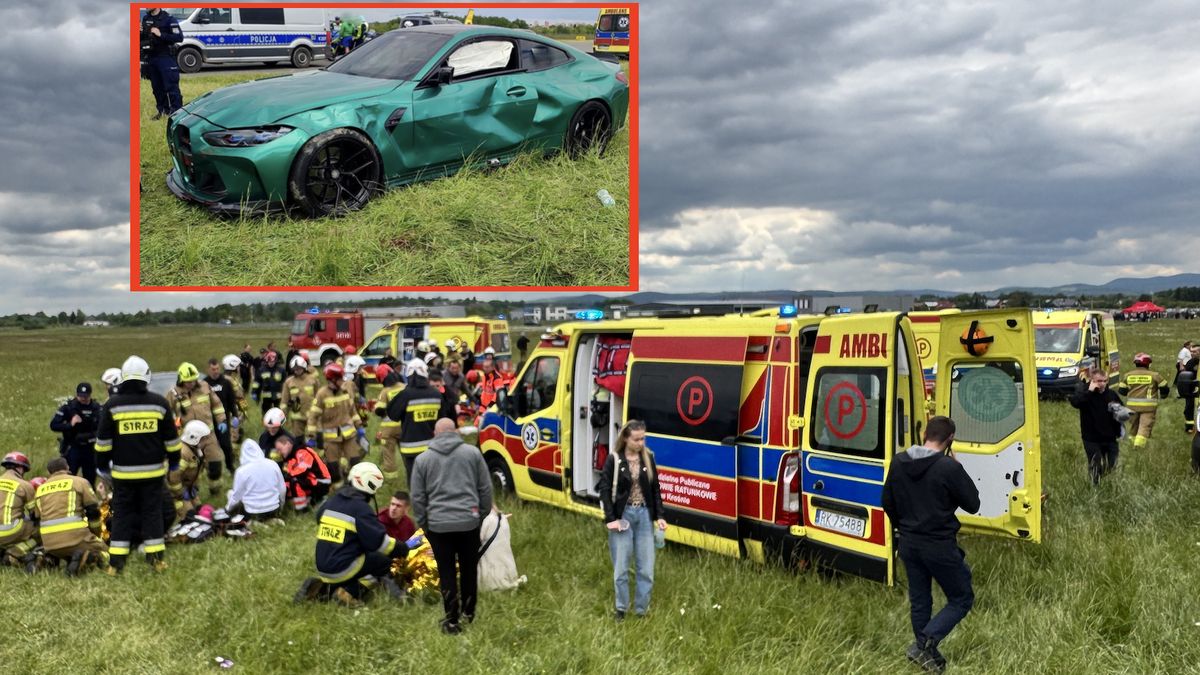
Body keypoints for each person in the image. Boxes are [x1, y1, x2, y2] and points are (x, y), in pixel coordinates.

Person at [881, 416, 979, 673]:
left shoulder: (898, 461)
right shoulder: (948, 468)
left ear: (924, 433)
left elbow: (887, 502)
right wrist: (959, 468)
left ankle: (927, 656)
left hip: (909, 543)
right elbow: (973, 503)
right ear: (950, 440)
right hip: (939, 545)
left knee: (920, 601)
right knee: (961, 598)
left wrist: (904, 526)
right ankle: (924, 645)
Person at [95, 355, 182, 573]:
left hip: (123, 475)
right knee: (152, 514)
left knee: (122, 515)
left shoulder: (112, 406)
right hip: (153, 474)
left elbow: (103, 443)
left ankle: (116, 565)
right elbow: (172, 441)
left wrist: (102, 466)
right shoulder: (159, 404)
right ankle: (156, 561)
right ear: (147, 377)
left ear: (123, 378)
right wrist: (173, 463)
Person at [296, 462, 421, 607]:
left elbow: (319, 518)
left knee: (362, 560)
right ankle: (351, 592)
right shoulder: (360, 508)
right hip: (342, 568)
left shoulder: (331, 501)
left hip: (323, 565)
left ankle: (322, 589)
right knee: (383, 562)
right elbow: (381, 544)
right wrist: (403, 549)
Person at [411, 418, 493, 634]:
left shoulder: (422, 459)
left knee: (446, 572)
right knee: (469, 570)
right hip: (469, 523)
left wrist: (425, 523)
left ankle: (451, 620)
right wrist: (480, 516)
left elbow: (418, 498)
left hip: (438, 527)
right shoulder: (472, 454)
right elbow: (485, 489)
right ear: (455, 431)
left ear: (435, 433)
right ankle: (469, 614)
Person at [597, 420, 667, 621]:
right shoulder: (614, 459)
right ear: (626, 438)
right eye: (636, 439)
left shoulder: (648, 458)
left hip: (644, 515)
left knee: (646, 568)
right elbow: (603, 489)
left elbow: (655, 489)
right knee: (621, 567)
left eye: (643, 438)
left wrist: (660, 516)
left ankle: (641, 611)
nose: (640, 443)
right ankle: (621, 609)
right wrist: (610, 519)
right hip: (623, 516)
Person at [32, 457, 110, 576]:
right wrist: (96, 534)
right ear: (67, 468)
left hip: (49, 544)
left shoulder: (41, 489)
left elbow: (37, 517)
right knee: (107, 553)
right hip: (75, 538)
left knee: (65, 552)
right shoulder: (80, 482)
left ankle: (47, 557)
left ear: (49, 472)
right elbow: (93, 511)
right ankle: (88, 557)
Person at [387, 359, 452, 484]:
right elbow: (443, 419)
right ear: (425, 375)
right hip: (433, 448)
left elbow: (392, 414)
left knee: (415, 483)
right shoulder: (436, 394)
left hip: (411, 450)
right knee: (433, 481)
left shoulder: (405, 394)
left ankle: (417, 503)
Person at [169, 362, 228, 496]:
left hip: (208, 436)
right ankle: (192, 493)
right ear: (181, 379)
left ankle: (215, 492)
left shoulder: (205, 387)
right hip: (189, 440)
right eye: (188, 381)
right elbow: (166, 414)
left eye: (194, 380)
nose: (191, 383)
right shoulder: (173, 394)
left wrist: (221, 420)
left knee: (215, 465)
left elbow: (217, 405)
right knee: (191, 468)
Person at [307, 362, 368, 488]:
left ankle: (354, 487)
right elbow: (313, 416)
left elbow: (352, 411)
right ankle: (338, 490)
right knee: (333, 467)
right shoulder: (322, 394)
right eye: (340, 379)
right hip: (331, 439)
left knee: (355, 461)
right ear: (332, 380)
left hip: (349, 435)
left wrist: (360, 427)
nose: (343, 381)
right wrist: (312, 436)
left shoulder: (345, 391)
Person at [1070, 369, 1126, 484]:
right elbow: (1076, 403)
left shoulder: (1111, 394)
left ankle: (1105, 481)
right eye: (1099, 381)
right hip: (1091, 438)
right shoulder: (1085, 393)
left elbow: (1121, 410)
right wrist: (1089, 392)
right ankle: (1095, 485)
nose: (1102, 384)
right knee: (1095, 464)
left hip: (1110, 438)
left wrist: (1123, 414)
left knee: (1111, 464)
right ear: (1092, 381)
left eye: (1105, 381)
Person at [49, 382, 102, 485]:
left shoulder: (97, 408)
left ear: (90, 395)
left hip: (90, 449)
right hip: (73, 448)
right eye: (80, 396)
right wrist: (70, 425)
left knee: (90, 480)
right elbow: (54, 425)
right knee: (69, 478)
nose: (82, 398)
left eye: (85, 396)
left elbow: (103, 428)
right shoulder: (68, 408)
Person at [1116, 353, 1169, 449]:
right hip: (1148, 407)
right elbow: (1164, 387)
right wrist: (1163, 395)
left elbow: (1122, 391)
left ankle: (1131, 443)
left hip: (1131, 407)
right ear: (1148, 364)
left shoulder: (1128, 375)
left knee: (1134, 426)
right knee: (1145, 426)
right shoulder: (1154, 375)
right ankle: (1138, 447)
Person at [225, 440, 286, 523]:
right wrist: (281, 507)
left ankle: (253, 522)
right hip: (274, 509)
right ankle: (272, 519)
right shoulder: (273, 464)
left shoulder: (241, 471)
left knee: (230, 493)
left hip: (252, 512)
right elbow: (282, 489)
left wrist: (227, 509)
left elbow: (236, 496)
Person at [139, 8, 184, 119]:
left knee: (171, 87)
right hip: (151, 57)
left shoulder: (169, 19)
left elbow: (179, 37)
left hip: (166, 57)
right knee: (157, 88)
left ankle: (176, 114)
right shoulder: (145, 19)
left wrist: (161, 34)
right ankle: (162, 111)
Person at [0, 452, 38, 568]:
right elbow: (35, 514)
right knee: (41, 530)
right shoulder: (25, 485)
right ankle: (14, 552)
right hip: (10, 530)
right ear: (20, 468)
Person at [276, 434, 331, 512]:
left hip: (322, 482)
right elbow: (289, 473)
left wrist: (286, 477)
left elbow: (302, 471)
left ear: (287, 444)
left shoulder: (302, 451)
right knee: (286, 483)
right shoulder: (291, 456)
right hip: (310, 481)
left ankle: (302, 510)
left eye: (280, 449)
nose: (279, 452)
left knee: (295, 481)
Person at [202, 358, 238, 473]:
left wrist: (235, 415)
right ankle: (208, 470)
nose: (216, 371)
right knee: (208, 448)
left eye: (217, 369)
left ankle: (230, 466)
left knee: (226, 446)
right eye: (213, 369)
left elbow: (232, 401)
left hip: (223, 421)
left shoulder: (226, 383)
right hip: (208, 423)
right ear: (208, 369)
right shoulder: (203, 384)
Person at [372, 364, 405, 480]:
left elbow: (379, 410)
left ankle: (391, 480)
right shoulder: (404, 387)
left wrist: (375, 407)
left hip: (388, 430)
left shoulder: (385, 392)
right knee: (407, 453)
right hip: (404, 427)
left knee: (389, 454)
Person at [281, 355, 319, 439]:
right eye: (295, 369)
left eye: (299, 368)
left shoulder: (313, 380)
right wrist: (283, 416)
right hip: (296, 417)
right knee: (298, 441)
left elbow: (319, 397)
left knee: (312, 440)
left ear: (304, 367)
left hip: (311, 416)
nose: (297, 370)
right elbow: (284, 401)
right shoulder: (289, 382)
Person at [221, 354, 248, 444]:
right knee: (234, 435)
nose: (239, 368)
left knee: (236, 433)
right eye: (238, 366)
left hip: (237, 411)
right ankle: (233, 454)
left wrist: (244, 409)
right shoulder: (227, 380)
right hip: (232, 412)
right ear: (232, 366)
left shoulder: (232, 379)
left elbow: (240, 396)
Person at [252, 350, 286, 415]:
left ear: (276, 361)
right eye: (269, 361)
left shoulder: (281, 370)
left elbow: (285, 382)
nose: (271, 363)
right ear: (267, 361)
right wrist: (254, 392)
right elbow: (257, 382)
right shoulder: (261, 370)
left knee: (278, 412)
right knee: (265, 412)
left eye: (273, 361)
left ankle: (279, 424)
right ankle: (266, 423)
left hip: (278, 396)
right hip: (266, 396)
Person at [1179, 346, 1199, 433]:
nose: (1192, 353)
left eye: (1195, 352)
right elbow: (1186, 376)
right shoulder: (1191, 362)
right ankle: (1189, 427)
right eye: (1191, 352)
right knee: (1189, 409)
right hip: (1192, 389)